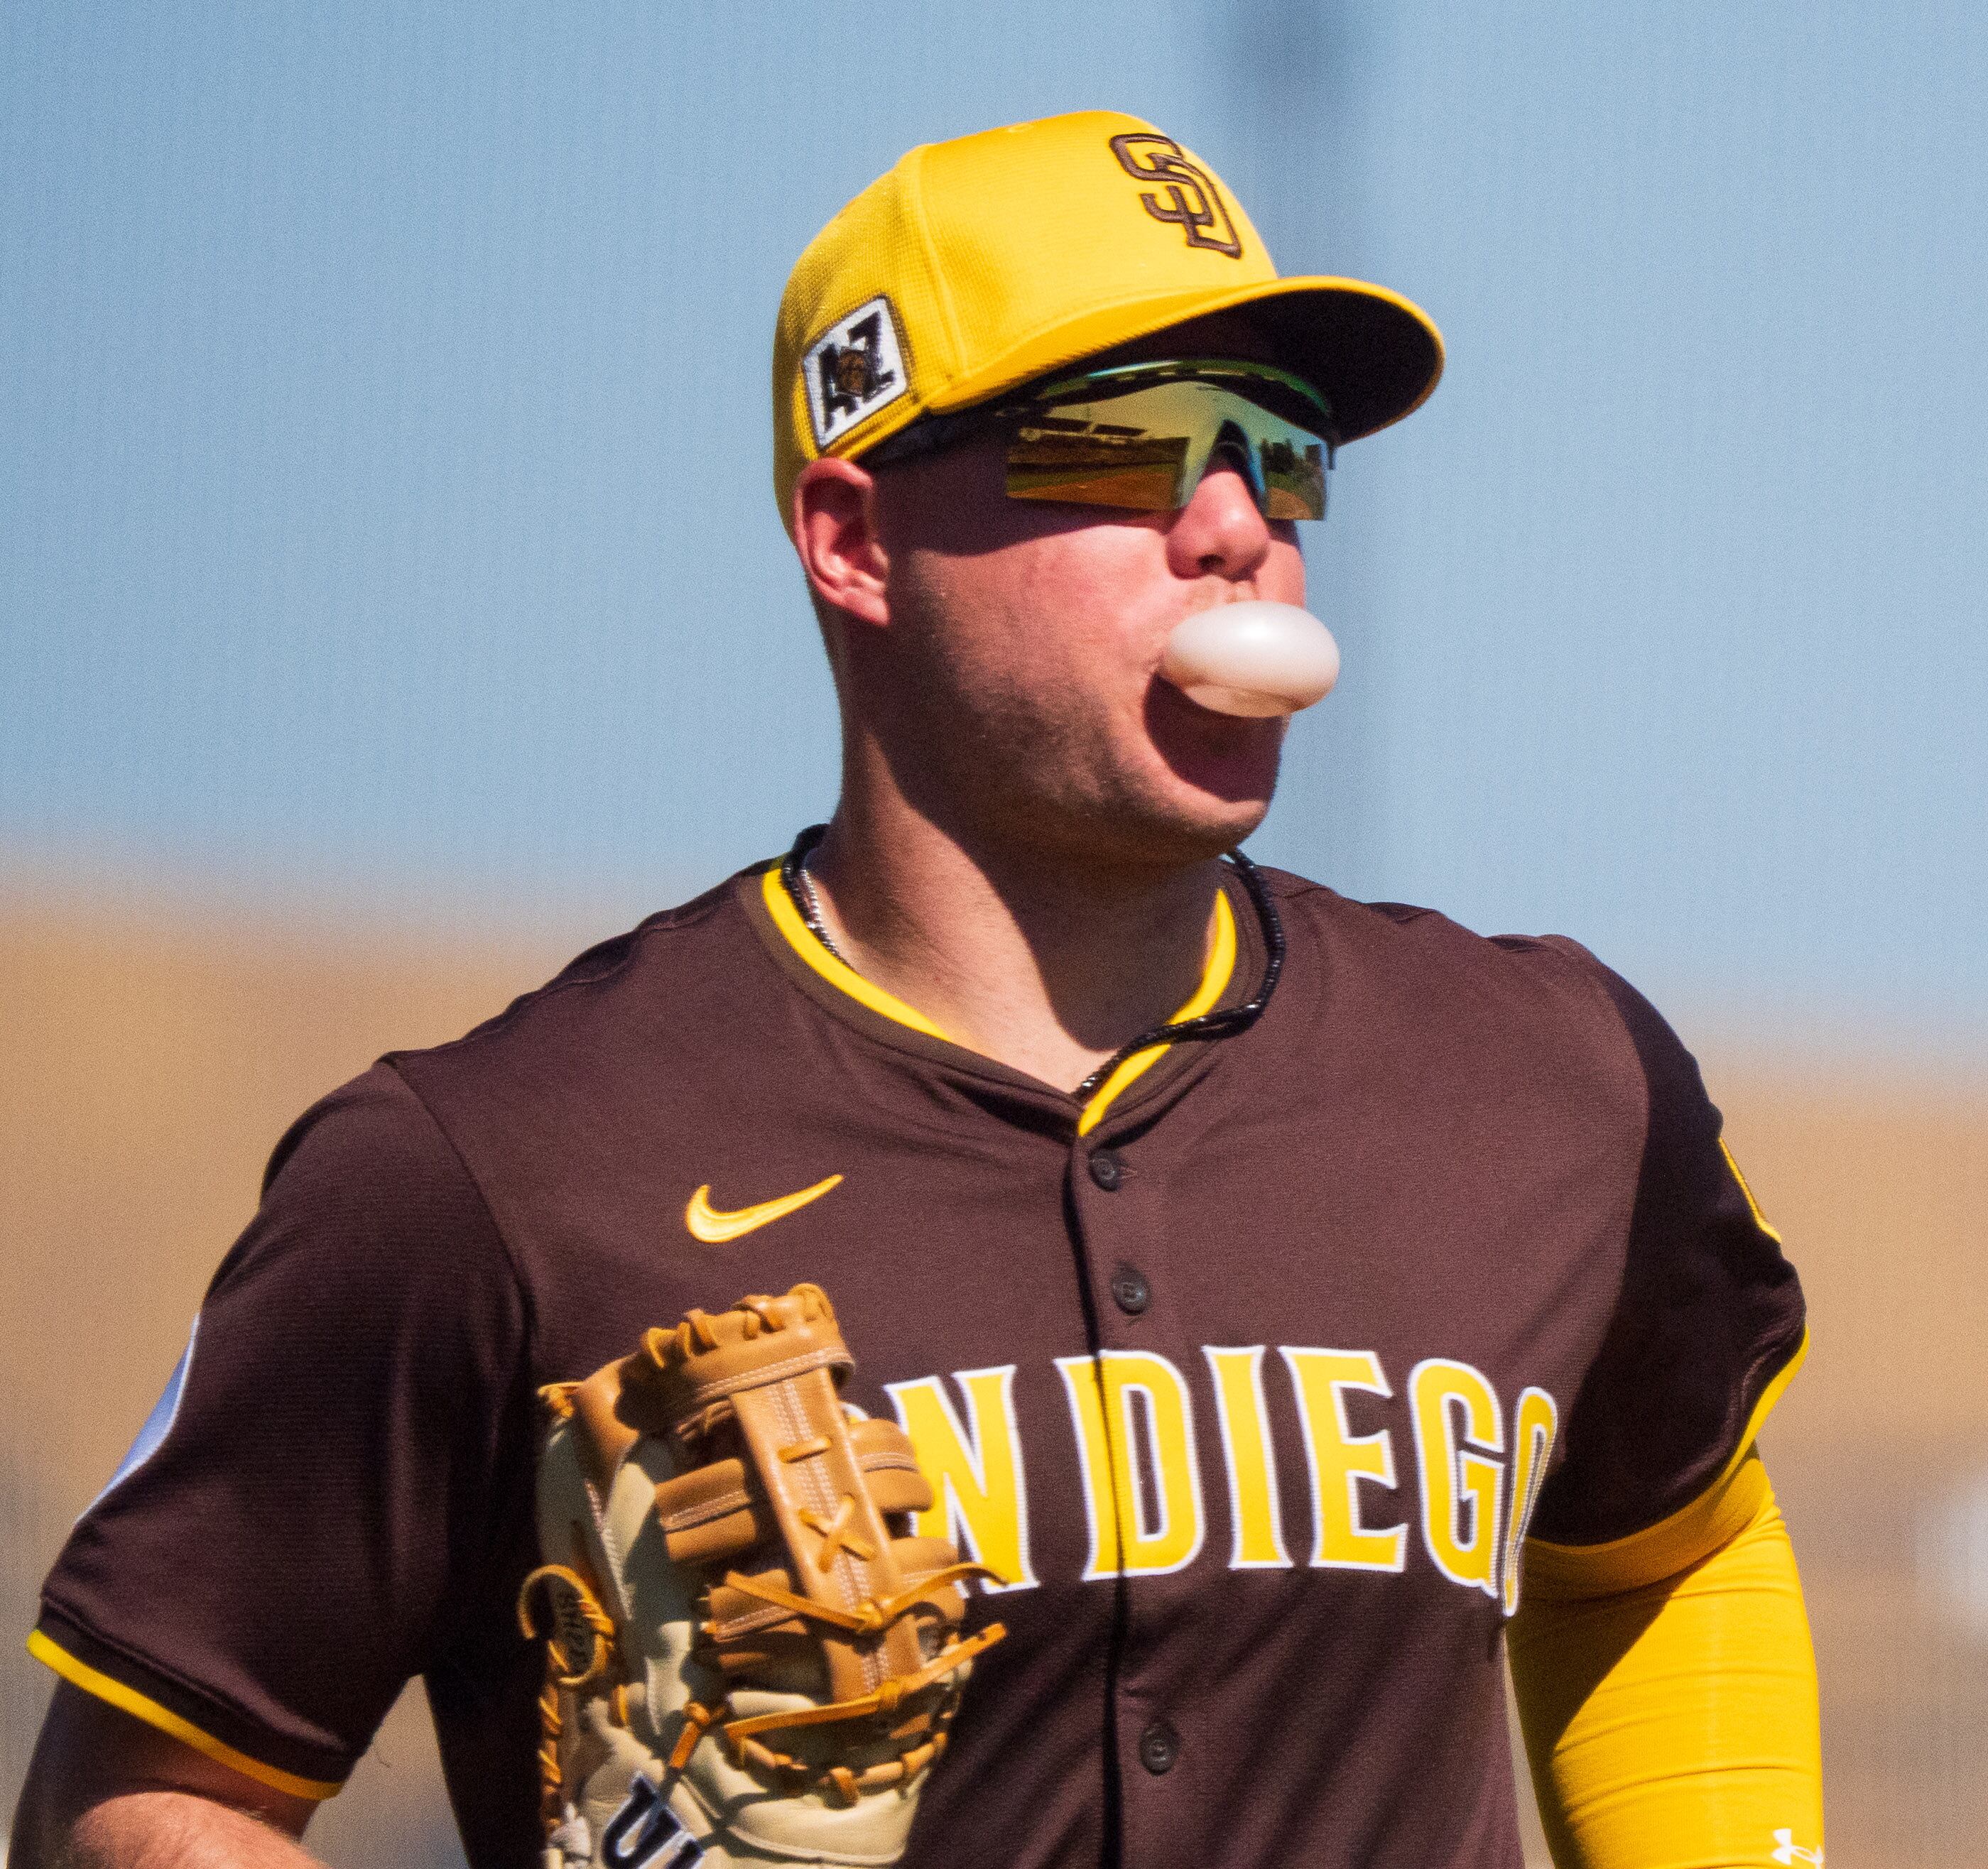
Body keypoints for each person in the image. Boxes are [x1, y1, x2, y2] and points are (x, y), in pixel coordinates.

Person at [11, 111, 1824, 1869]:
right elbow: (148, 1791)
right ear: (853, 536)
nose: (1233, 526)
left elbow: (1663, 1552)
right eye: (1126, 445)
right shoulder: (492, 1169)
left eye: (1280, 454)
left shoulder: (1547, 1082)